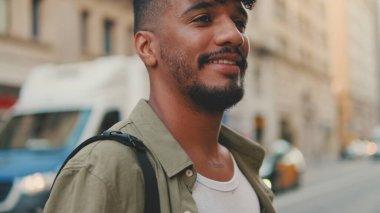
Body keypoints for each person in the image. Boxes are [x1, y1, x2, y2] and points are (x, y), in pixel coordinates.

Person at [45, 0, 275, 212]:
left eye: (239, 23)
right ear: (147, 47)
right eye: (203, 18)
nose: (235, 36)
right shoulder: (103, 171)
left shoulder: (245, 163)